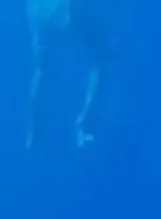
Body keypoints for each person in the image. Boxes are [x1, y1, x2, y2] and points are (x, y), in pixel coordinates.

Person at [23, 0, 106, 150]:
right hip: (66, 8)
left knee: (42, 69)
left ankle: (34, 133)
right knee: (100, 58)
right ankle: (84, 124)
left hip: (38, 9)